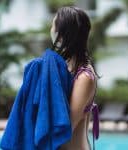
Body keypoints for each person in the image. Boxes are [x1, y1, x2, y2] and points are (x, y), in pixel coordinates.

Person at [50, 6, 99, 150]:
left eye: (53, 25)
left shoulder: (84, 76)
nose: (51, 30)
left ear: (63, 33)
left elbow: (66, 126)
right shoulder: (62, 68)